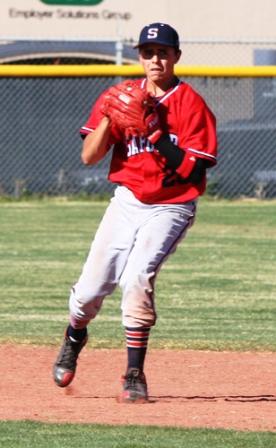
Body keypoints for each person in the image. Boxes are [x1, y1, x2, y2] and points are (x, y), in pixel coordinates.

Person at [53, 22, 217, 403]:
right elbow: (89, 156)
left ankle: (134, 373)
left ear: (176, 56)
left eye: (163, 52)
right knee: (89, 292)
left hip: (172, 204)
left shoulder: (191, 104)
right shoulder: (119, 96)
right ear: (139, 57)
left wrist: (156, 134)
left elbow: (194, 169)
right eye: (148, 52)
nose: (155, 59)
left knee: (137, 276)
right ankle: (75, 335)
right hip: (126, 201)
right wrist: (113, 115)